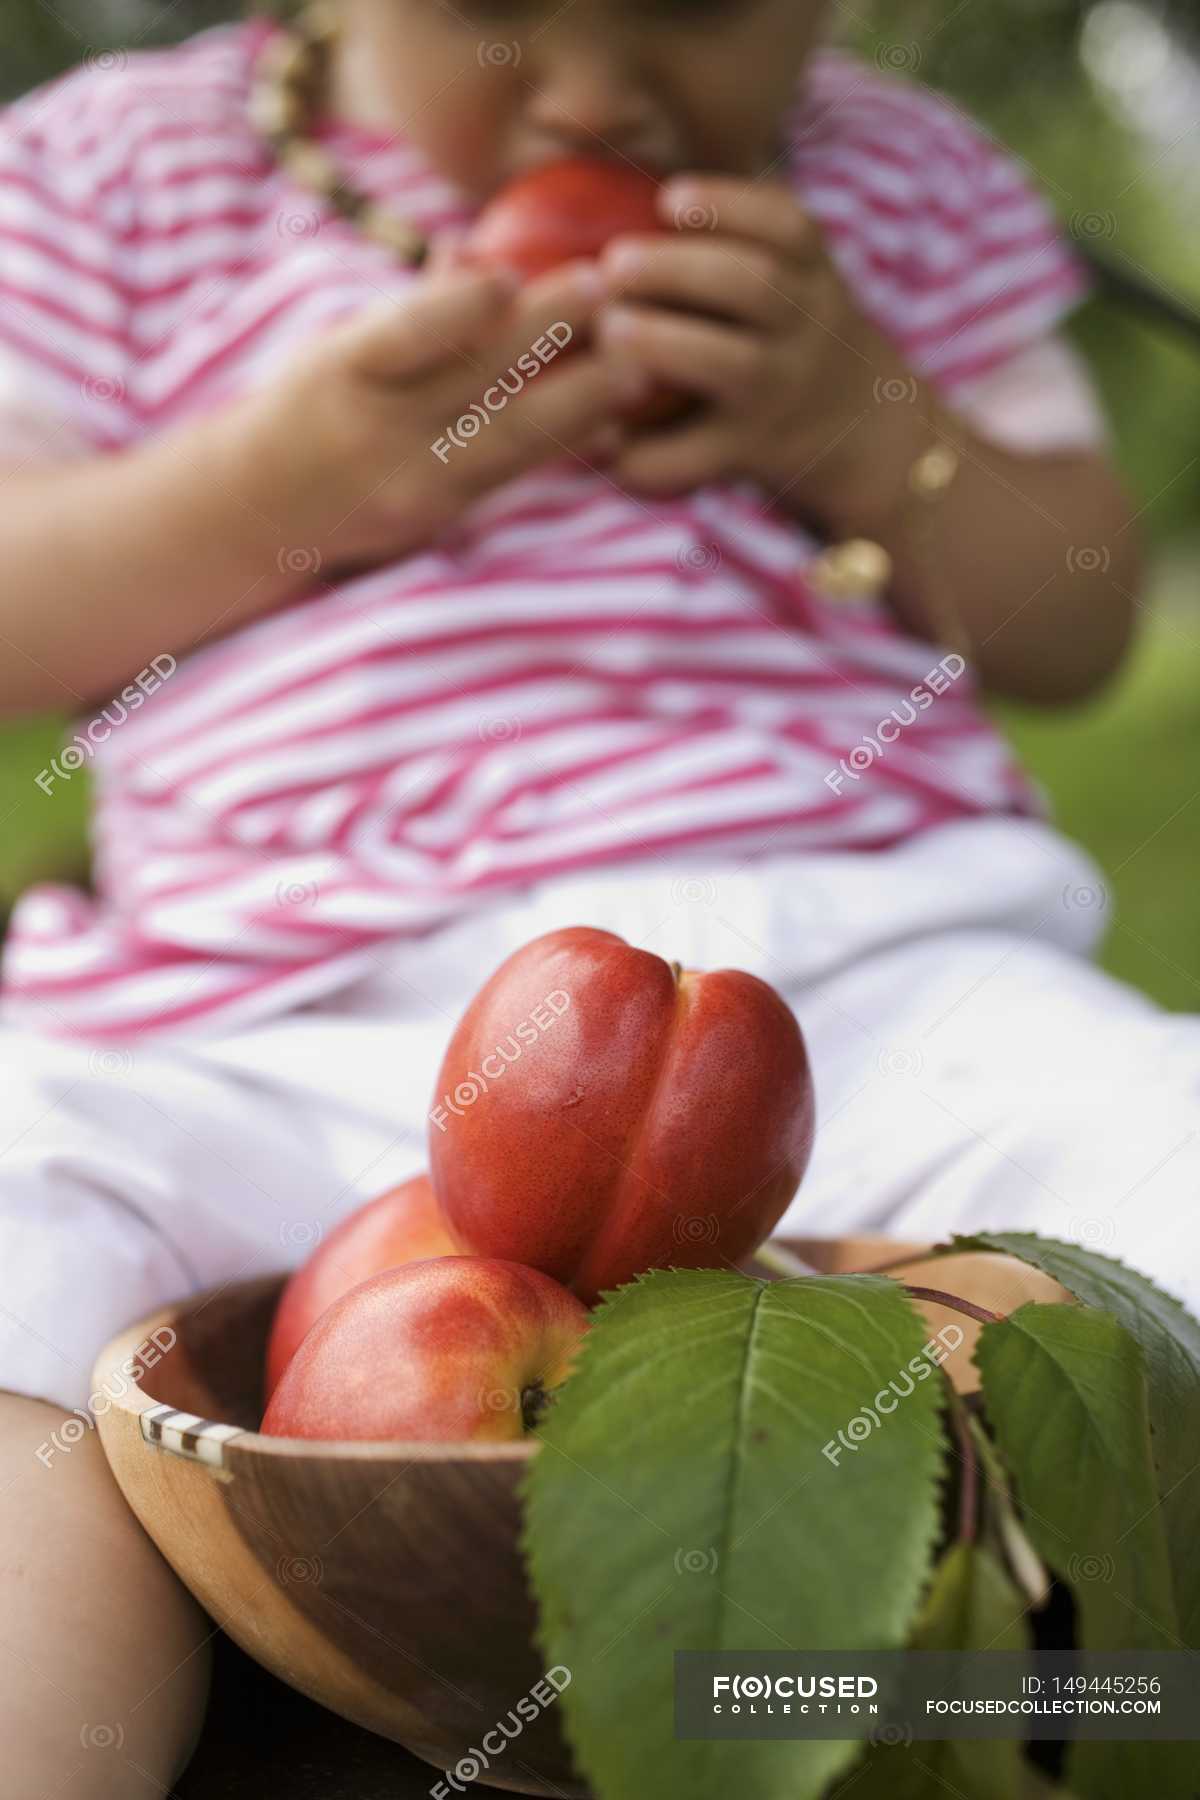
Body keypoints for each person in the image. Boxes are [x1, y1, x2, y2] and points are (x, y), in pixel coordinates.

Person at [0, 2, 1188, 1791]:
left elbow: (1077, 615)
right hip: (262, 1002)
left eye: (699, 4)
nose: (594, 90)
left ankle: (1076, 1705)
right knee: (23, 1230)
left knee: (1160, 1155)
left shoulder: (904, 191)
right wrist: (285, 489)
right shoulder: (112, 174)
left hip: (857, 973)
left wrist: (866, 423)